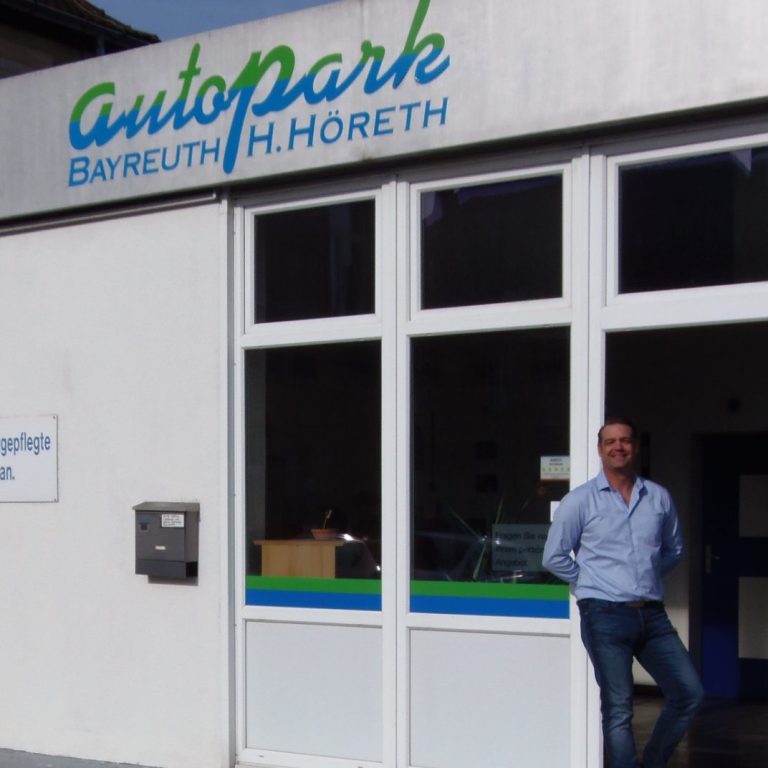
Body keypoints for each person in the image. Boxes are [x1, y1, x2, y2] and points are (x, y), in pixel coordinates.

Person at [543, 417, 704, 768]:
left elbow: (674, 550)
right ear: (600, 450)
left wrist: (643, 576)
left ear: (636, 446)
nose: (618, 447)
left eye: (625, 440)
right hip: (604, 615)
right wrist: (591, 583)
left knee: (689, 693)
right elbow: (554, 556)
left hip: (652, 614)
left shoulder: (658, 497)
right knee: (619, 708)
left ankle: (654, 761)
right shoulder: (580, 501)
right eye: (610, 441)